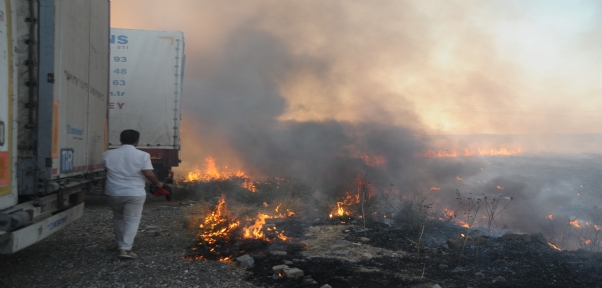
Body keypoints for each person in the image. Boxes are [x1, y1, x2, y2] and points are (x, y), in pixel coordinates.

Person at [102, 129, 166, 259]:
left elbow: (104, 170)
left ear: (120, 140)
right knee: (132, 219)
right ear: (137, 141)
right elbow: (148, 173)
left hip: (114, 191)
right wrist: (158, 183)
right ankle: (125, 249)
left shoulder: (108, 154)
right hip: (134, 192)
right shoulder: (143, 155)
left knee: (118, 217)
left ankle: (121, 244)